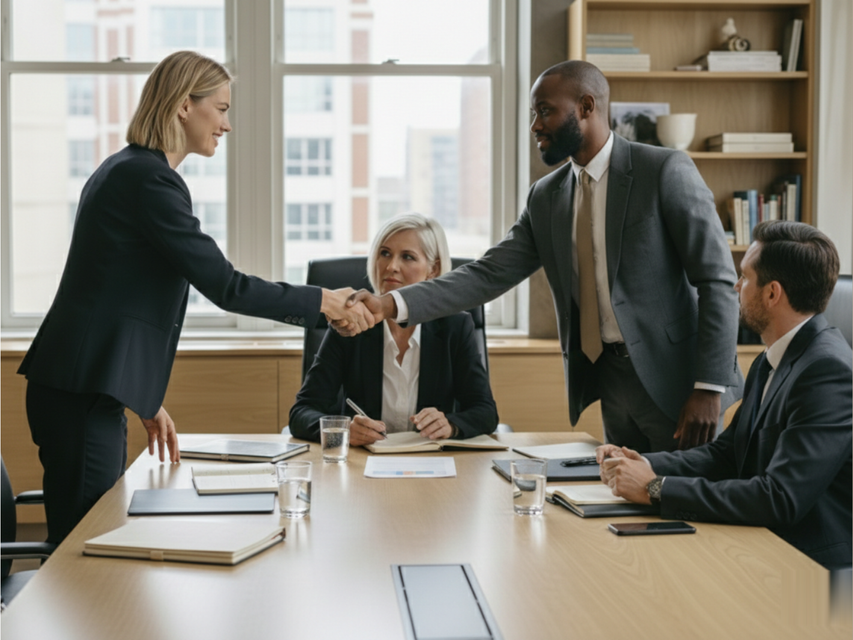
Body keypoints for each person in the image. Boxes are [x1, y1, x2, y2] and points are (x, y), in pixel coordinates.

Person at [18, 51, 374, 544]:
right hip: (81, 393)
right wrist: (323, 303)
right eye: (222, 108)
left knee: (91, 537)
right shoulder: (149, 179)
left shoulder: (128, 171)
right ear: (185, 105)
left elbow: (115, 290)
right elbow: (225, 286)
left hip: (87, 388)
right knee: (83, 548)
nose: (227, 125)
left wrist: (139, 396)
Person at [342, 60, 743, 453]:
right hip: (610, 379)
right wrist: (388, 303)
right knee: (628, 505)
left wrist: (709, 386)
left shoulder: (664, 170)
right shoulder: (546, 196)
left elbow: (718, 280)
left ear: (586, 108)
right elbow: (486, 275)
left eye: (545, 111)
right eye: (534, 113)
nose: (535, 125)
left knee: (683, 509)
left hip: (677, 381)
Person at [597, 221, 852, 569]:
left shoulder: (828, 373)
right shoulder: (772, 357)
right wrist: (643, 463)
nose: (736, 286)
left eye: (745, 277)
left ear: (772, 293)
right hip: (761, 544)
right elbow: (729, 454)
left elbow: (779, 498)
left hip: (808, 569)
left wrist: (656, 488)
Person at [290, 213, 499, 445]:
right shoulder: (351, 323)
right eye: (385, 253)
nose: (391, 266)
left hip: (431, 464)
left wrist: (450, 425)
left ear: (433, 269)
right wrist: (344, 430)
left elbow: (485, 412)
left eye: (407, 257)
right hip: (363, 466)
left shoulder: (455, 326)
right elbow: (302, 413)